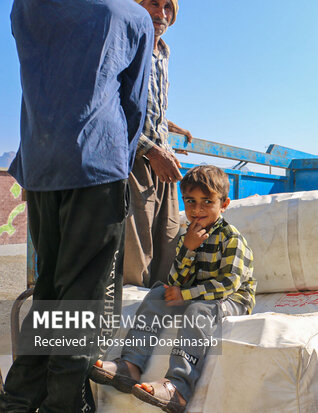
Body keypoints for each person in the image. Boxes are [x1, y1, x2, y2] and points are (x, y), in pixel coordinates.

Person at [0, 1, 153, 412]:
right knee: (80, 302)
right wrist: (118, 159)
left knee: (51, 292)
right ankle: (65, 404)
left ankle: (17, 400)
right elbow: (134, 107)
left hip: (41, 164)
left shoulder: (25, 8)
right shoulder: (133, 17)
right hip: (96, 166)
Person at [90, 165, 256, 413]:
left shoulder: (231, 238)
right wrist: (188, 249)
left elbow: (228, 285)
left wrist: (185, 295)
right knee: (157, 294)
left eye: (206, 202)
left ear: (223, 204)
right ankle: (130, 365)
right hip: (196, 293)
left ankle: (178, 387)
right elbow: (175, 280)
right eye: (190, 201)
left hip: (232, 299)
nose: (196, 209)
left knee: (198, 311)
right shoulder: (185, 236)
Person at [125, 0, 196, 288]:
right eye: (153, 4)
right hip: (136, 156)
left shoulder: (164, 52)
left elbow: (148, 104)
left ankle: (157, 310)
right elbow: (116, 106)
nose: (161, 13)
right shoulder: (128, 42)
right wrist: (151, 150)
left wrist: (168, 125)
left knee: (167, 238)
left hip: (162, 155)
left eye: (168, 7)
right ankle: (130, 319)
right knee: (137, 244)